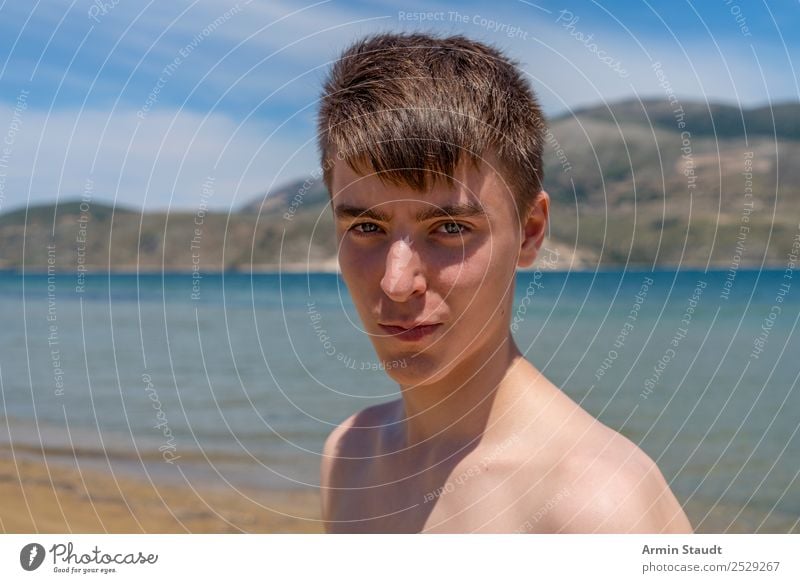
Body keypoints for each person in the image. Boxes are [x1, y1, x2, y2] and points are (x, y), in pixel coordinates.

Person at [316, 32, 692, 534]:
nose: (397, 282)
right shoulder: (349, 455)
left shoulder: (596, 506)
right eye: (367, 228)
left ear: (530, 233)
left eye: (450, 229)